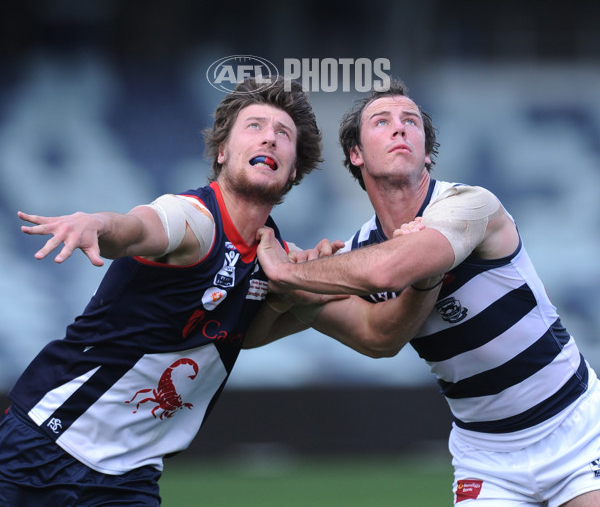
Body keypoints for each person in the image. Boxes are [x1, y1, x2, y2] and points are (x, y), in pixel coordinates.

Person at [0, 76, 440, 507]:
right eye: (255, 127)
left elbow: (376, 336)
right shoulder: (195, 219)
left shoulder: (278, 262)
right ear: (223, 152)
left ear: (293, 171)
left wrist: (426, 272)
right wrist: (97, 224)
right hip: (42, 446)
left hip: (128, 478)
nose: (269, 139)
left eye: (283, 134)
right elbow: (138, 229)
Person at [257, 78, 600, 507]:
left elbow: (387, 270)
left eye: (411, 121)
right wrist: (288, 286)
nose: (400, 128)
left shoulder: (470, 206)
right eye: (382, 122)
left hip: (573, 426)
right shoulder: (358, 252)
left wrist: (286, 273)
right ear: (356, 154)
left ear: (428, 152)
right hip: (486, 455)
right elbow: (378, 339)